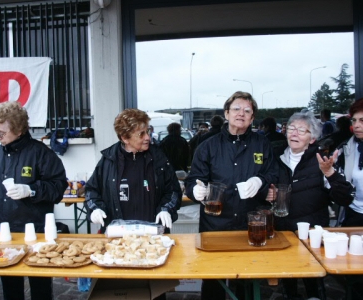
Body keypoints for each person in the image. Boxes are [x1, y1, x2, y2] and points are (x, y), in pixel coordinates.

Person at [0, 101, 68, 300]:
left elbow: (58, 187)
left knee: (40, 288)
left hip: (36, 233)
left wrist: (32, 190)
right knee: (10, 288)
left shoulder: (41, 154)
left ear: (19, 129)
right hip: (5, 233)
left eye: (2, 132)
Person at [184, 91, 278, 300]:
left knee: (247, 280)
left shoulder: (262, 144)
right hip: (215, 226)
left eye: (247, 111)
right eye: (236, 109)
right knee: (213, 280)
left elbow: (273, 172)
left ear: (253, 118)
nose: (241, 114)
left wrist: (260, 181)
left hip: (250, 224)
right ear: (226, 113)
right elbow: (193, 180)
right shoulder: (207, 145)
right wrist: (195, 191)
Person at [265, 110, 354, 299]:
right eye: (291, 128)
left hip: (312, 235)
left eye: (302, 130)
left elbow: (345, 198)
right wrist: (267, 193)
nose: (295, 133)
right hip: (283, 232)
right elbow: (265, 185)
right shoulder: (275, 158)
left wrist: (330, 173)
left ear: (312, 139)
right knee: (287, 279)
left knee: (313, 281)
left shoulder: (323, 161)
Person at [84, 108, 182, 234]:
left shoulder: (159, 158)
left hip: (153, 235)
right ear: (125, 138)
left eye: (148, 131)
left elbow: (173, 190)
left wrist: (166, 209)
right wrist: (95, 209)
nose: (148, 137)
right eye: (141, 134)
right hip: (118, 237)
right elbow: (91, 190)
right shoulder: (109, 160)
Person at [337, 99, 363, 227]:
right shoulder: (346, 148)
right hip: (353, 214)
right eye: (354, 120)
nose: (356, 125)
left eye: (362, 120)